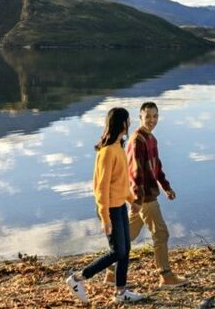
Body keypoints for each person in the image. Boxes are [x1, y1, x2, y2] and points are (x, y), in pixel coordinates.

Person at [65, 107, 146, 304]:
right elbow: (101, 187)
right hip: (109, 208)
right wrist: (104, 216)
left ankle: (121, 292)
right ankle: (77, 278)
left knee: (125, 250)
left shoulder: (118, 147)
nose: (130, 124)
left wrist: (132, 201)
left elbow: (121, 183)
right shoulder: (107, 151)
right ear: (121, 123)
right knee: (117, 251)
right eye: (127, 120)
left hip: (119, 206)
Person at [105, 101, 190, 288]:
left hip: (144, 196)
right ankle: (165, 276)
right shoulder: (137, 140)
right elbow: (135, 173)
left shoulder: (151, 139)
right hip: (144, 197)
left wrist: (166, 186)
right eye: (148, 116)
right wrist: (138, 198)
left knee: (128, 235)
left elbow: (156, 166)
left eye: (155, 116)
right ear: (140, 117)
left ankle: (111, 273)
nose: (152, 120)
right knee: (161, 233)